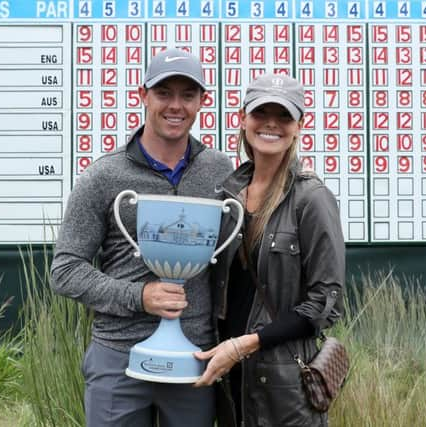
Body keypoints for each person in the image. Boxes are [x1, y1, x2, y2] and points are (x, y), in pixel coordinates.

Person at [50, 47, 233, 427]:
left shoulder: (219, 170)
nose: (175, 106)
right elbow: (65, 270)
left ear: (203, 101)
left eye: (187, 95)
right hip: (118, 357)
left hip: (195, 359)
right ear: (143, 95)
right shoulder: (104, 176)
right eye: (164, 93)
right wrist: (139, 297)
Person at [193, 73, 346, 427]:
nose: (271, 124)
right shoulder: (226, 196)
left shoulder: (312, 199)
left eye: (284, 116)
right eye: (261, 113)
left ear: (299, 125)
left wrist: (245, 344)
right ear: (242, 118)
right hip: (229, 380)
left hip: (284, 387)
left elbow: (326, 303)